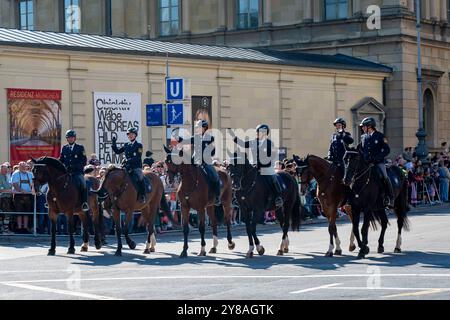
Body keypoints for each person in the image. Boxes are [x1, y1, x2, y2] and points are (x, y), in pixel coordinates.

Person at [230, 124, 283, 208]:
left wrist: (262, 163)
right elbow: (243, 144)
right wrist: (234, 137)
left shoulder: (269, 143)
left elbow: (270, 155)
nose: (257, 133)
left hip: (266, 166)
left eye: (259, 132)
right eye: (257, 132)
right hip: (254, 165)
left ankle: (278, 197)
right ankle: (237, 198)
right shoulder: (253, 141)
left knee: (273, 177)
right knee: (243, 176)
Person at [177, 119, 221, 206]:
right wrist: (177, 137)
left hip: (205, 163)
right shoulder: (195, 137)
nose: (197, 129)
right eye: (197, 127)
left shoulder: (210, 138)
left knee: (215, 177)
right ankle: (181, 196)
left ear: (204, 128)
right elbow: (184, 141)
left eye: (199, 127)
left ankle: (217, 197)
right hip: (194, 163)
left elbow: (213, 152)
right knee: (183, 174)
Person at [358, 117, 393, 207]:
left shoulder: (380, 136)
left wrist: (377, 158)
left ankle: (390, 197)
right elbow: (360, 149)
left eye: (364, 126)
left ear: (369, 126)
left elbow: (386, 150)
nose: (362, 128)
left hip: (378, 162)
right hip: (366, 163)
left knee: (384, 176)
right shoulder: (363, 137)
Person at [112, 127, 146, 203]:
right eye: (128, 134)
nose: (130, 135)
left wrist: (128, 160)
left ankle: (143, 195)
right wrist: (113, 143)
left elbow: (138, 157)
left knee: (140, 177)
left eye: (132, 134)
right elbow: (117, 151)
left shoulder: (139, 145)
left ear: (135, 135)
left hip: (136, 166)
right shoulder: (126, 145)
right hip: (126, 166)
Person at [59, 130, 89, 211]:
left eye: (72, 137)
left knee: (83, 183)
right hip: (66, 172)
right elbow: (61, 160)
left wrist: (74, 166)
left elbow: (83, 161)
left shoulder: (80, 147)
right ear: (67, 139)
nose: (70, 139)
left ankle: (84, 203)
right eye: (69, 137)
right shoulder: (64, 148)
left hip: (77, 172)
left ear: (74, 138)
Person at [11, 161, 35, 234]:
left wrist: (33, 191)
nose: (24, 168)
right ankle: (19, 228)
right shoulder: (16, 174)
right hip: (19, 195)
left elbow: (33, 184)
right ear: (19, 167)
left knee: (26, 213)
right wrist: (21, 190)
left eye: (25, 166)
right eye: (22, 166)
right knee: (19, 212)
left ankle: (25, 228)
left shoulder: (30, 174)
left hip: (28, 195)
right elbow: (15, 184)